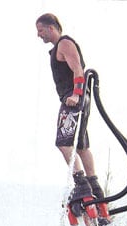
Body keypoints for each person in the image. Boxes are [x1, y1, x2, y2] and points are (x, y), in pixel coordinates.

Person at [36, 13, 104, 202]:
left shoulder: (64, 43)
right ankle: (95, 188)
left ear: (51, 28)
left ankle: (82, 184)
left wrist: (75, 94)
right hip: (79, 100)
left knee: (63, 142)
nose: (38, 35)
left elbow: (78, 70)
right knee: (81, 146)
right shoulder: (57, 49)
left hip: (73, 99)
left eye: (40, 30)